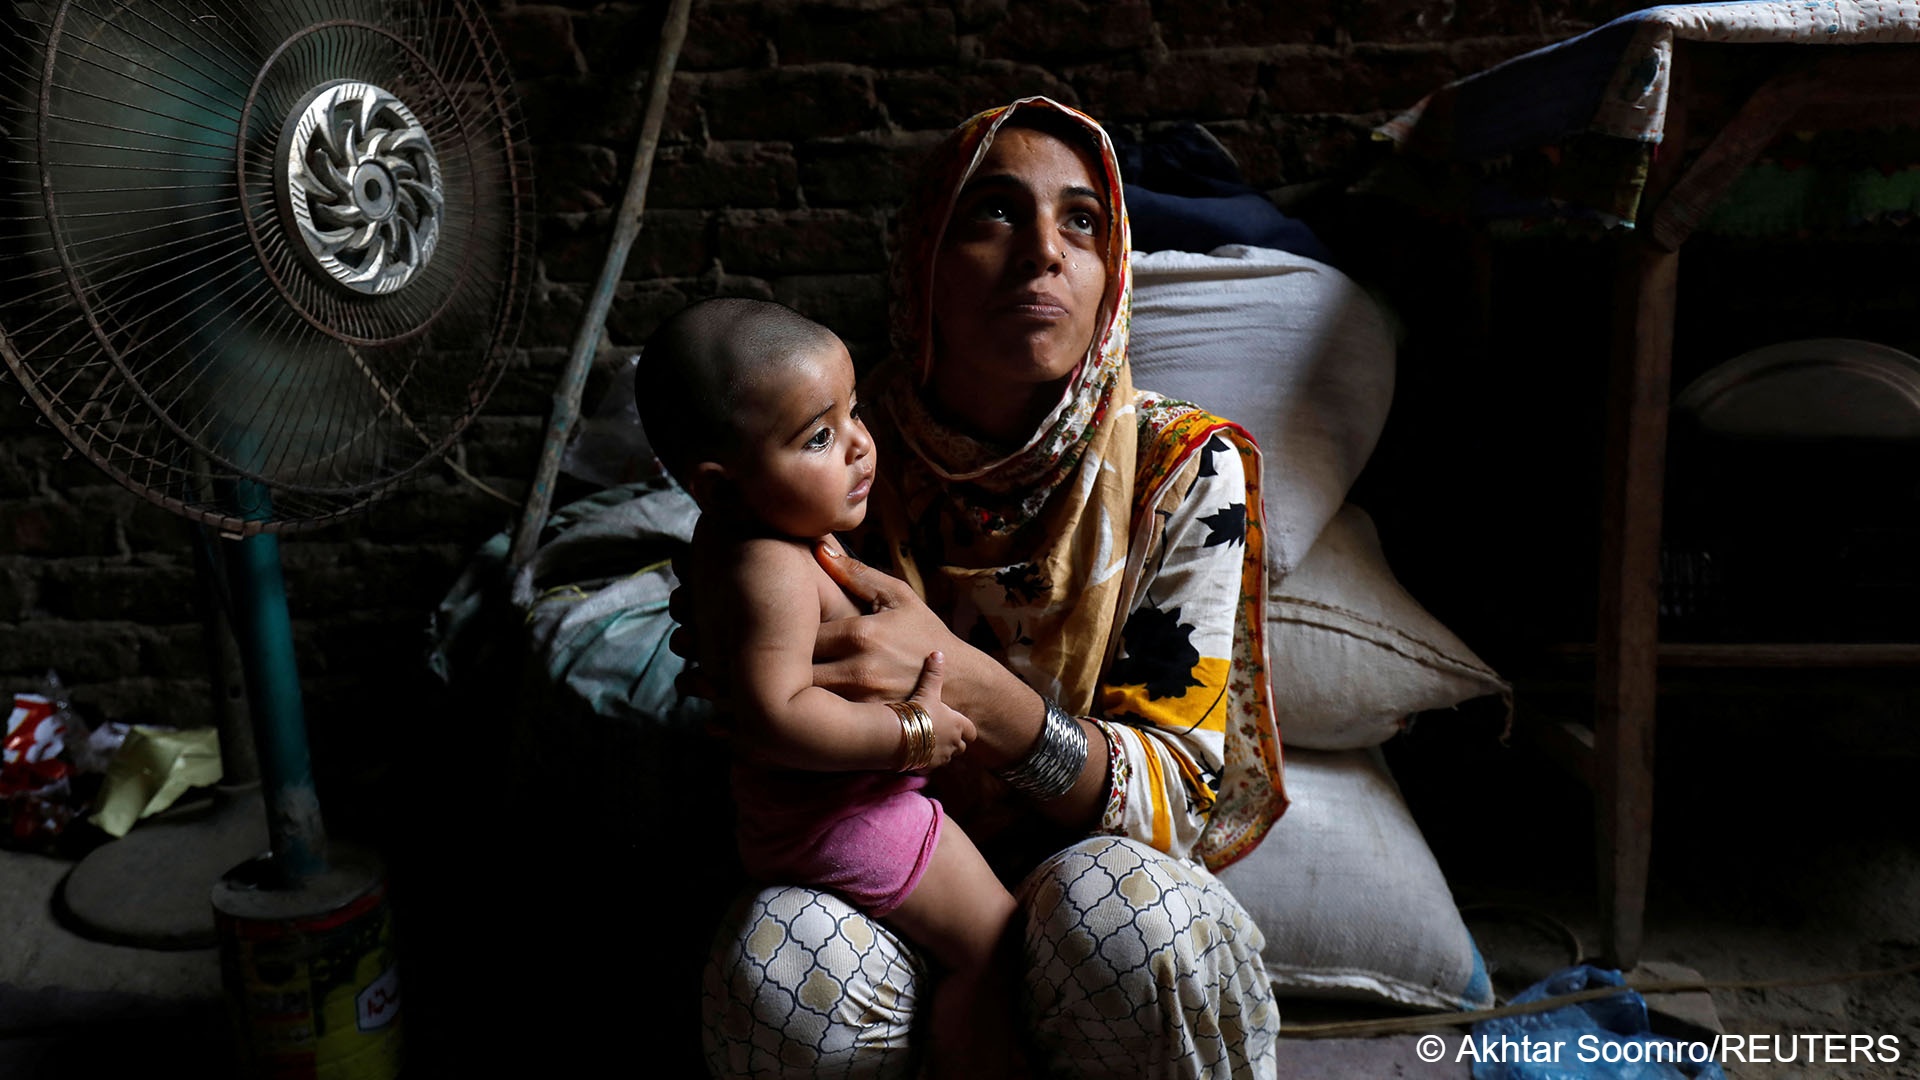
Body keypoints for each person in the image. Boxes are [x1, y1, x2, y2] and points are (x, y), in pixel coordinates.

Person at [692, 96, 1289, 1079]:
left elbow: (1171, 810)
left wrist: (961, 682)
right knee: (777, 958)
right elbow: (747, 677)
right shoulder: (824, 461)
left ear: (1112, 274)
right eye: (997, 213)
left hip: (1088, 889)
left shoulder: (1181, 470)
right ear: (925, 258)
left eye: (1084, 221)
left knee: (1133, 913)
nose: (1046, 251)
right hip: (890, 880)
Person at [637, 297, 1031, 1079]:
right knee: (1001, 947)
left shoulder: (745, 535)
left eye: (852, 414)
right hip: (847, 816)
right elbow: (779, 716)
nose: (858, 446)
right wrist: (913, 733)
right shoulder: (770, 567)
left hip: (822, 811)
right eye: (819, 437)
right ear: (719, 487)